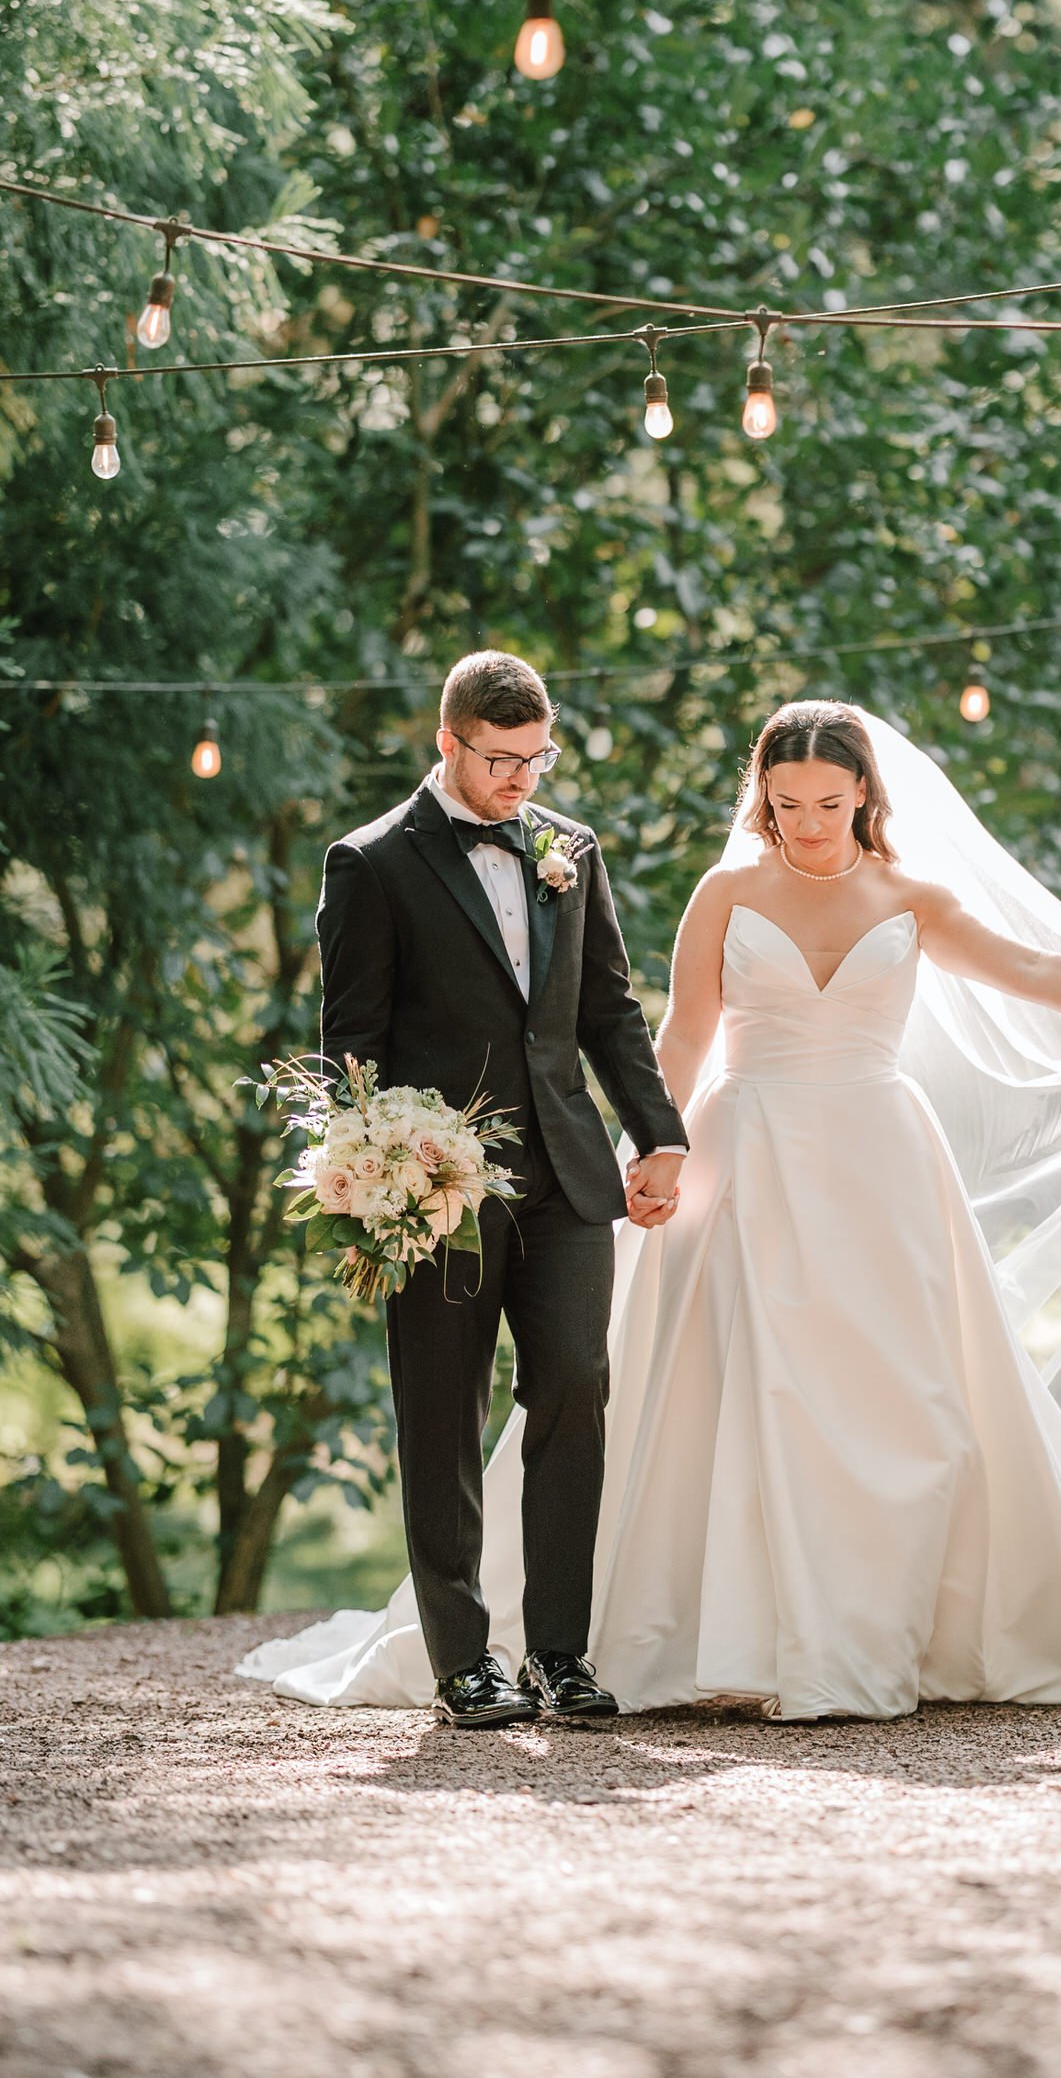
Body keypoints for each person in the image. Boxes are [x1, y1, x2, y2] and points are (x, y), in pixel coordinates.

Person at [244, 699, 1061, 1717]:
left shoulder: (911, 895)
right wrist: (657, 1147)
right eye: (786, 803)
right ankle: (691, 1637)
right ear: (761, 798)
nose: (807, 823)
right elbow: (679, 1033)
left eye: (827, 802)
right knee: (719, 1381)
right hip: (743, 1152)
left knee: (904, 1391)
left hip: (878, 1161)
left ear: (865, 795)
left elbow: (1029, 969)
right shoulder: (726, 890)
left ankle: (873, 1628)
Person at [294, 649, 688, 1728]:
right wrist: (376, 1177)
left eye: (536, 758)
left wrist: (660, 1134)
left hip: (569, 1176)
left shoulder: (571, 850)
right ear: (448, 741)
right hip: (438, 1191)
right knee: (442, 1414)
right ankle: (463, 1661)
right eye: (501, 759)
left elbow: (608, 1007)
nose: (521, 779)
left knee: (573, 1390)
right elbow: (352, 1046)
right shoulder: (371, 863)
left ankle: (560, 1654)